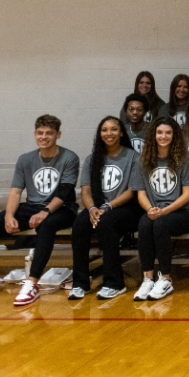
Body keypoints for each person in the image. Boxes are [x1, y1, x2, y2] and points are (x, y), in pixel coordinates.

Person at [0, 115, 79, 305]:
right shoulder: (25, 159)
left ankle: (32, 283)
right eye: (40, 133)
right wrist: (9, 215)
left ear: (58, 134)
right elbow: (16, 192)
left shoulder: (69, 157)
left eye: (49, 133)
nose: (44, 137)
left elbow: (65, 191)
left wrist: (45, 212)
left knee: (46, 225)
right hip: (32, 207)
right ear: (35, 134)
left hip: (63, 208)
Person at [68, 117, 142, 301]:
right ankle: (80, 283)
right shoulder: (92, 159)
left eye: (114, 129)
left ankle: (115, 283)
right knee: (79, 224)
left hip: (126, 209)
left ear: (121, 133)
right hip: (98, 207)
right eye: (104, 130)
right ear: (99, 134)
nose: (109, 133)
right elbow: (85, 191)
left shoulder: (133, 156)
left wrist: (108, 206)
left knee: (106, 223)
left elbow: (132, 190)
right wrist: (92, 208)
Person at [131, 117, 189, 301]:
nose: (164, 136)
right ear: (153, 135)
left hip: (183, 213)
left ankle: (166, 278)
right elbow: (141, 193)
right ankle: (148, 278)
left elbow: (188, 195)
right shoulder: (143, 160)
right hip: (155, 211)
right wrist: (150, 209)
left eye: (168, 132)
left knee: (159, 224)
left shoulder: (184, 159)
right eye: (160, 132)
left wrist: (164, 212)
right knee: (144, 224)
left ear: (174, 135)